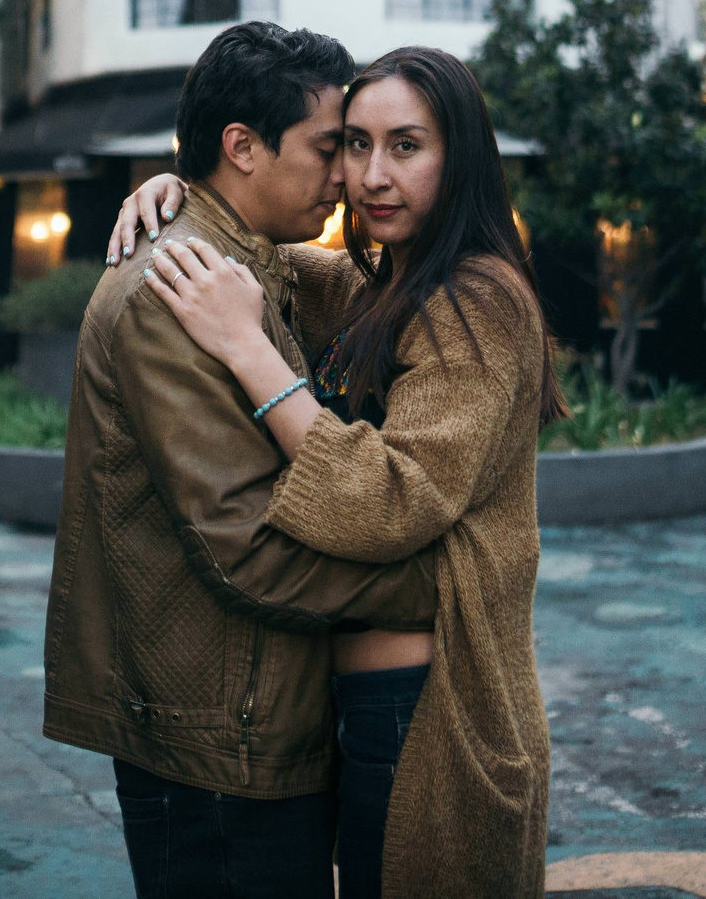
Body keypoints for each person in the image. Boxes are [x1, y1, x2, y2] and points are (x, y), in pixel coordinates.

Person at [112, 45, 564, 899]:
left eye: (406, 146)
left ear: (460, 157)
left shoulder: (478, 297)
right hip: (376, 705)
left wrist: (249, 351)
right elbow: (260, 252)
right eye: (356, 144)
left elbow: (392, 500)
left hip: (434, 710)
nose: (371, 175)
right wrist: (182, 194)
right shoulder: (385, 285)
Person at [42, 22, 441, 899]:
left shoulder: (241, 262)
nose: (347, 175)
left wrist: (173, 183)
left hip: (246, 717)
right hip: (217, 738)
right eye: (330, 147)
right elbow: (247, 546)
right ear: (243, 146)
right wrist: (431, 585)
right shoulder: (174, 288)